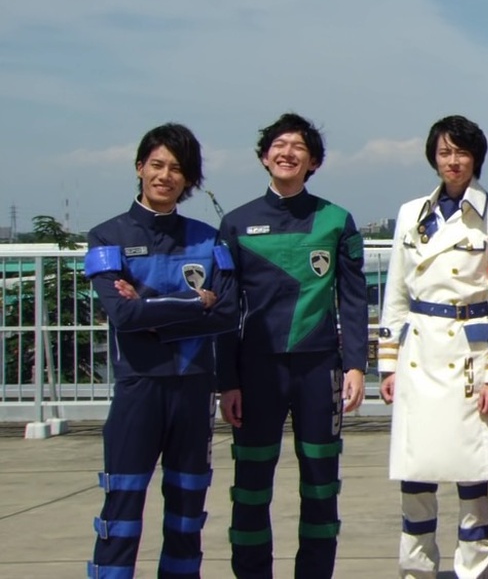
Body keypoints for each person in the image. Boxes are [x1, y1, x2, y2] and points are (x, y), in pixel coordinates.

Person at [377, 115, 488, 579]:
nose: (452, 161)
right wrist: (389, 364)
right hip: (420, 355)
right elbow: (396, 293)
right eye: (444, 152)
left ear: (475, 158)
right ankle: (416, 570)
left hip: (469, 358)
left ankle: (475, 571)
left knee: (473, 480)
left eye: (461, 152)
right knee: (415, 478)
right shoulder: (411, 213)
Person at [216, 112, 368, 579]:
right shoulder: (236, 223)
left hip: (319, 370)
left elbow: (353, 298)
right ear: (265, 157)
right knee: (250, 485)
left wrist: (356, 365)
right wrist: (227, 381)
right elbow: (224, 311)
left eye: (299, 147)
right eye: (278, 145)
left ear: (313, 162)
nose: (288, 153)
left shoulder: (336, 220)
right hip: (255, 372)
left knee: (321, 483)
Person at [84, 123, 239, 579]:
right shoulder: (106, 236)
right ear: (139, 167)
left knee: (188, 512)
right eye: (157, 165)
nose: (165, 176)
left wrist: (149, 307)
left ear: (188, 179)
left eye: (176, 169)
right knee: (122, 510)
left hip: (194, 389)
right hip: (139, 387)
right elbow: (123, 316)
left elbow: (227, 313)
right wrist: (195, 303)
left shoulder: (208, 238)